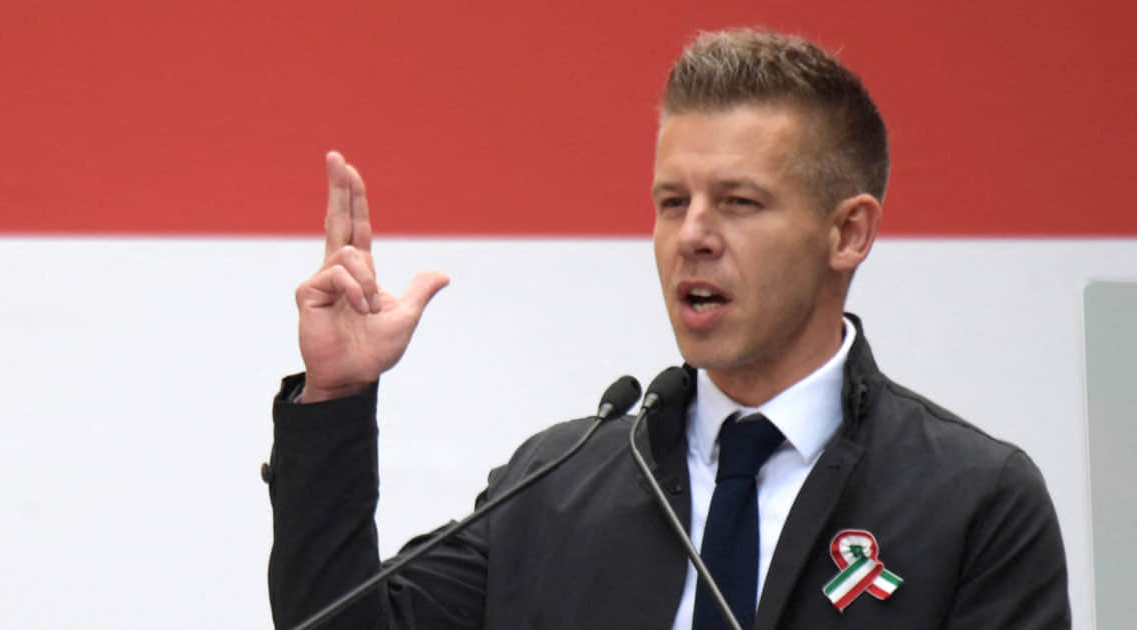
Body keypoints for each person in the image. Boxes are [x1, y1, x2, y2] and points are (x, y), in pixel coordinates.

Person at [264, 29, 1070, 629]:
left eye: (739, 203)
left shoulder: (972, 500)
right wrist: (338, 396)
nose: (693, 236)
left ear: (848, 233)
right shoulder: (556, 485)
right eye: (673, 202)